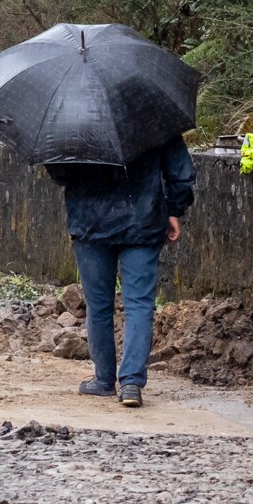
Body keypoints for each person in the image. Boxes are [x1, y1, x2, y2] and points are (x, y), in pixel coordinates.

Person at [45, 137, 194, 409]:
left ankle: (103, 380)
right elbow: (181, 173)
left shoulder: (74, 123)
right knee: (139, 304)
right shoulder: (155, 119)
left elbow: (60, 173)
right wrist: (174, 209)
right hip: (143, 221)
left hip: (90, 223)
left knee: (99, 305)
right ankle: (131, 383)